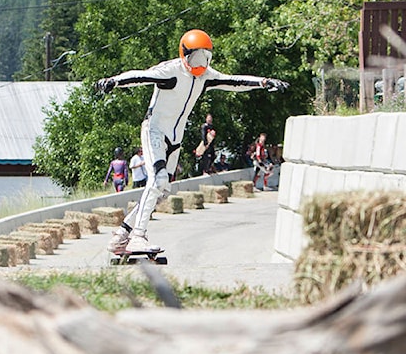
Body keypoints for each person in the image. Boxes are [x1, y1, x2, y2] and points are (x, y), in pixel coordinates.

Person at [96, 29, 289, 253]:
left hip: (175, 138)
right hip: (155, 131)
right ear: (184, 54)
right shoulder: (171, 71)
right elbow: (140, 76)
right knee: (157, 180)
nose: (200, 63)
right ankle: (138, 236)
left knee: (162, 191)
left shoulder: (205, 75)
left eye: (205, 57)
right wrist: (114, 81)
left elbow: (233, 81)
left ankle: (122, 234)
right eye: (196, 57)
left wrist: (264, 82)